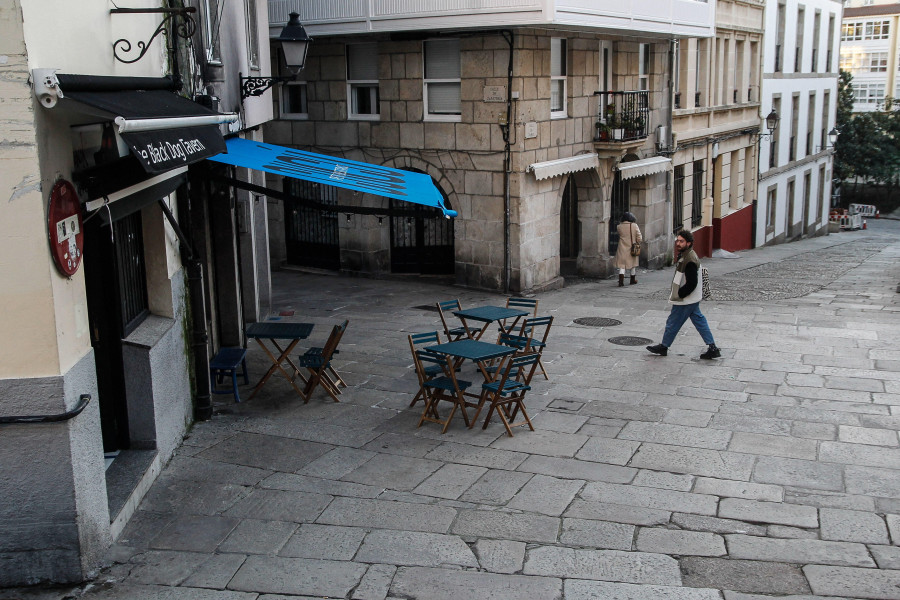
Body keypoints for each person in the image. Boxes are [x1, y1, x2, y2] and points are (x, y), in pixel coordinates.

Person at [646, 229, 721, 359]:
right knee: (699, 321)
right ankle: (712, 347)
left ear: (689, 243)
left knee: (673, 322)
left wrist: (680, 294)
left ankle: (664, 346)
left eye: (682, 241)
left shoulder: (689, 259)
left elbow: (692, 283)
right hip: (692, 298)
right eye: (678, 241)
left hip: (686, 299)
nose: (678, 243)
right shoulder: (687, 255)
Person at [615, 212, 642, 286]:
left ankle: (621, 281)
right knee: (633, 264)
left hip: (622, 247)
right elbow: (639, 237)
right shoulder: (634, 225)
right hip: (632, 247)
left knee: (622, 265)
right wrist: (638, 242)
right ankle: (632, 280)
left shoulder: (619, 226)